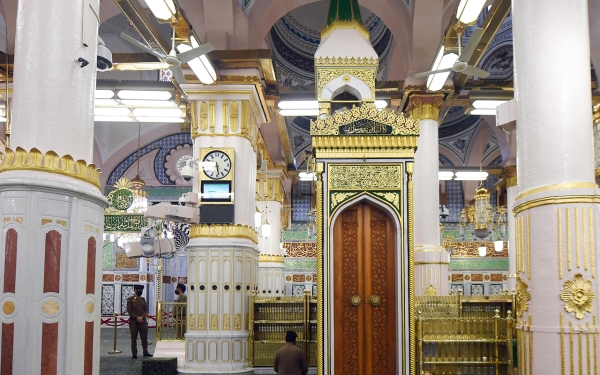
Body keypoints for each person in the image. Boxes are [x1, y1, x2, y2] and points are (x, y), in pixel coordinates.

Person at [127, 285, 153, 359]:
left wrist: (142, 317)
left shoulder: (143, 300)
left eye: (141, 290)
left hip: (143, 321)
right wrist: (137, 317)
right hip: (133, 322)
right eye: (138, 289)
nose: (140, 291)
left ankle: (145, 352)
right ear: (135, 290)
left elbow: (145, 310)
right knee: (134, 338)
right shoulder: (130, 299)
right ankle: (134, 353)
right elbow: (130, 311)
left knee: (144, 338)